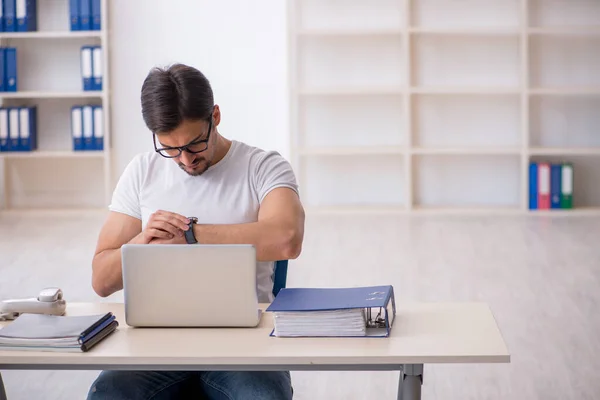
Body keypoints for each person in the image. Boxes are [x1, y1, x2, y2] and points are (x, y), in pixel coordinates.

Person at [87, 63, 305, 400]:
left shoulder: (262, 167)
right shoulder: (142, 171)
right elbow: (102, 281)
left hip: (244, 347)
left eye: (194, 144)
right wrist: (141, 243)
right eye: (170, 149)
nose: (185, 160)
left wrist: (190, 235)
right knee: (107, 394)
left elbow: (287, 239)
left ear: (215, 116)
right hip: (155, 345)